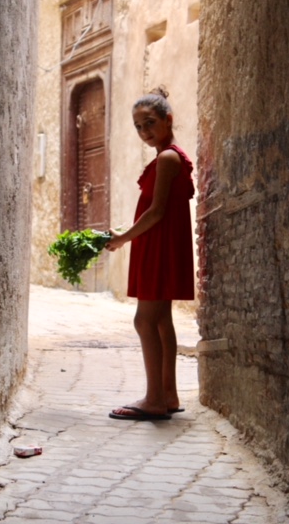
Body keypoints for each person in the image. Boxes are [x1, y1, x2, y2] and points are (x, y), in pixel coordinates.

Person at [105, 86, 195, 421]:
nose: (144, 131)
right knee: (160, 322)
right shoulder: (167, 156)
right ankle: (168, 395)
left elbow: (157, 212)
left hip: (159, 245)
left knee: (144, 320)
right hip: (161, 244)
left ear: (168, 119)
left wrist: (123, 238)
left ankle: (154, 400)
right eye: (138, 126)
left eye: (150, 123)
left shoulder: (169, 157)